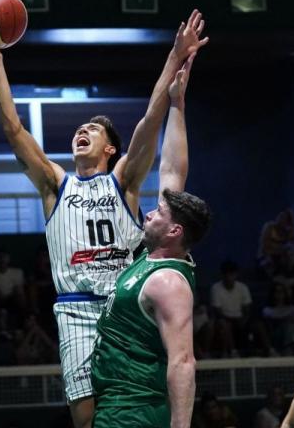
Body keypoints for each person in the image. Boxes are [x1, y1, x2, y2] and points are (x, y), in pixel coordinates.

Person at [0, 8, 208, 428]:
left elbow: (150, 121)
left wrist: (174, 58)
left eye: (92, 131)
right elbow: (13, 131)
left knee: (140, 398)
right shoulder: (54, 185)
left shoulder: (125, 182)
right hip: (76, 308)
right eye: (79, 129)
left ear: (110, 149)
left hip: (125, 305)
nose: (82, 131)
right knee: (86, 418)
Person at [91, 51, 211, 428]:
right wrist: (177, 102)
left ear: (175, 231)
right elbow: (172, 168)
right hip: (117, 405)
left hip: (134, 411)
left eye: (158, 213)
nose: (148, 214)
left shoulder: (168, 283)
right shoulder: (154, 258)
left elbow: (183, 361)